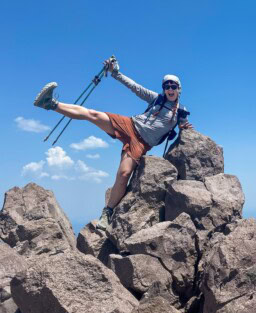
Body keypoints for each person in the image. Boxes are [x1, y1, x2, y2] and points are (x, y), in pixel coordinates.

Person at [33, 57, 193, 230]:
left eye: (173, 86)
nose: (170, 89)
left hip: (141, 144)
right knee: (93, 115)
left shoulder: (181, 112)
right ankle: (51, 103)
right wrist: (115, 73)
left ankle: (107, 213)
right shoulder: (156, 99)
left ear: (179, 89)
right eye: (167, 86)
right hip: (130, 125)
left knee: (123, 174)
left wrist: (185, 128)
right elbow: (134, 87)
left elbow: (185, 127)